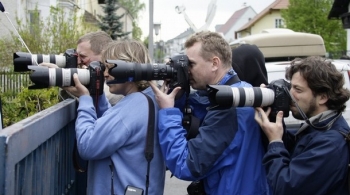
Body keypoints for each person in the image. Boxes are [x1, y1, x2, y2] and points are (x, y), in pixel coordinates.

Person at [149, 31, 269, 194]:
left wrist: (168, 112)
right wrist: (178, 91)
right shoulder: (241, 91)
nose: (187, 71)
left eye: (191, 64)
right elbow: (202, 107)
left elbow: (186, 165)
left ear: (214, 63)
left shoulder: (228, 108)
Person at [63, 40, 166, 195]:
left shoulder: (133, 106)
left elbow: (87, 146)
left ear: (128, 68)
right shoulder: (149, 99)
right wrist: (95, 95)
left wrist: (85, 99)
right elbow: (113, 124)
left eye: (111, 68)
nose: (105, 74)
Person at [254, 56, 350, 194]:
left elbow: (286, 187)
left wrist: (275, 141)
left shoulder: (330, 143)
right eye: (290, 87)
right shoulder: (318, 126)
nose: (289, 95)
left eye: (297, 90)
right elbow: (292, 151)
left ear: (322, 97)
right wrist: (272, 114)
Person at [41, 31, 124, 105]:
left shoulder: (119, 75)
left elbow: (107, 97)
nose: (78, 62)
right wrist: (64, 75)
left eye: (83, 57)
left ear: (103, 55)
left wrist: (62, 78)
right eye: (77, 56)